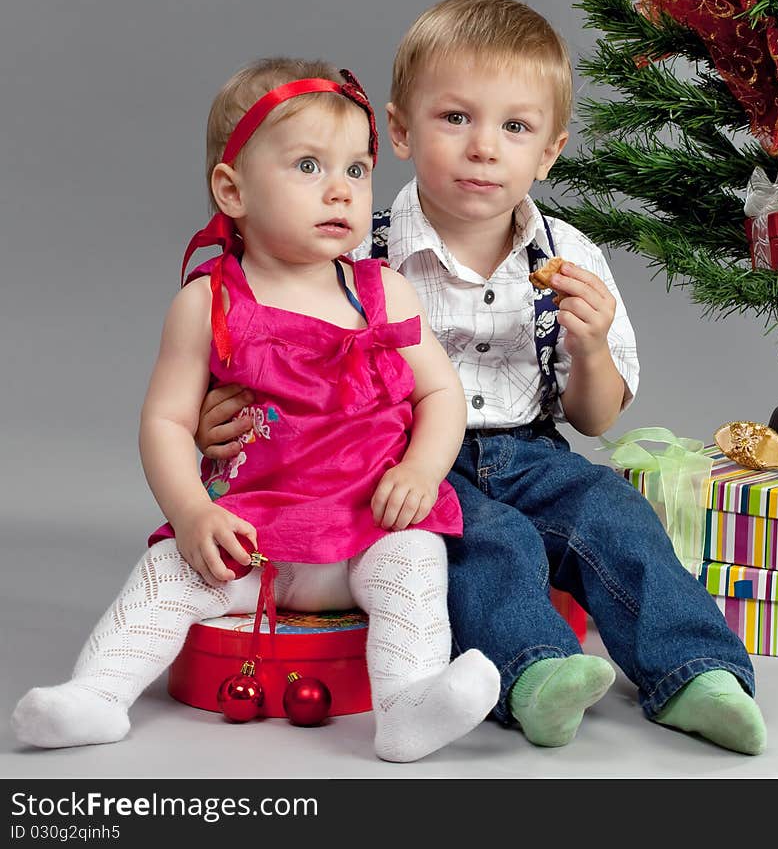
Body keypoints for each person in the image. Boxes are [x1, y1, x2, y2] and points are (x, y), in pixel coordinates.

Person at [196, 0, 768, 756]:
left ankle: (697, 670)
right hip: (399, 457)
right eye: (455, 118)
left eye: (516, 127)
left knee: (612, 513)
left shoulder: (568, 255)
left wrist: (590, 345)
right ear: (398, 130)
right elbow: (271, 354)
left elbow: (594, 419)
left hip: (532, 450)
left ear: (550, 150)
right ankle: (537, 674)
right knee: (483, 541)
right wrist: (216, 419)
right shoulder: (353, 254)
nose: (484, 148)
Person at [11, 57, 501, 762]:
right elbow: (167, 421)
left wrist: (423, 469)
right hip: (250, 538)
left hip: (366, 523)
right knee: (166, 574)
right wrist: (190, 512)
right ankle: (96, 693)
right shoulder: (206, 303)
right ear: (231, 190)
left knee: (415, 559)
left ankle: (406, 703)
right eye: (308, 166)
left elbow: (440, 391)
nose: (340, 189)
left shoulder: (383, 292)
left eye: (358, 171)